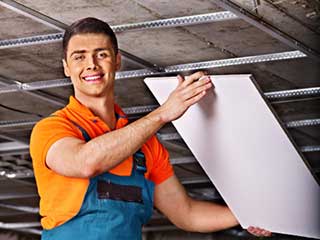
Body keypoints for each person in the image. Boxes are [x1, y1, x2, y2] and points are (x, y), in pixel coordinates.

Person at [30, 17, 271, 239]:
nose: (91, 65)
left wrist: (249, 216)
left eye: (101, 54)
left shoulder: (146, 146)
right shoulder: (53, 129)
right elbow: (85, 162)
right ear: (66, 68)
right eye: (79, 57)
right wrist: (163, 113)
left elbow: (186, 213)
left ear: (117, 60)